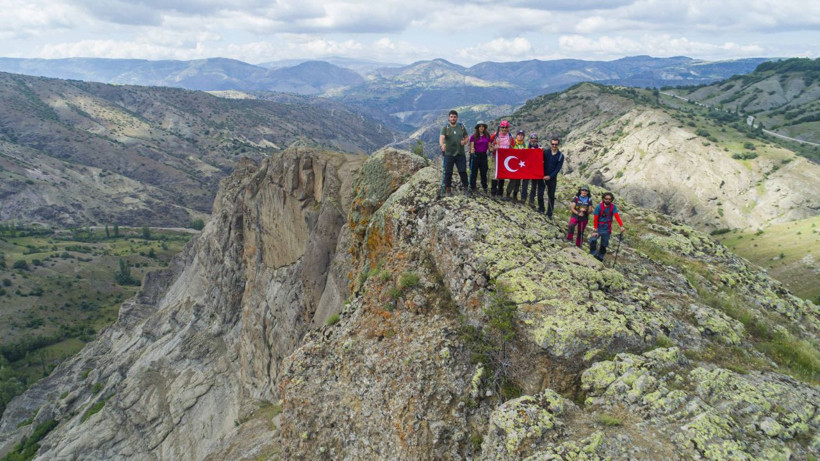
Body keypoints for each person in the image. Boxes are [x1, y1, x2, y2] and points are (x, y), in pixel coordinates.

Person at [439, 110, 469, 196]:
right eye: (451, 117)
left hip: (460, 153)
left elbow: (466, 136)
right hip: (449, 153)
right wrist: (442, 145)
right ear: (449, 118)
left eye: (454, 117)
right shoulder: (445, 128)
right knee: (448, 172)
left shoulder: (461, 126)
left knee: (462, 171)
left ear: (457, 118)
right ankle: (448, 189)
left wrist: (465, 141)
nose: (453, 118)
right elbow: (441, 138)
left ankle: (466, 188)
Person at [588, 191, 625, 262]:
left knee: (604, 244)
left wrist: (621, 226)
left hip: (607, 228)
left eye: (609, 199)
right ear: (603, 199)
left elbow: (617, 216)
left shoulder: (613, 207)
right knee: (593, 240)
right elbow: (595, 218)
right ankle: (593, 253)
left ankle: (600, 257)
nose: (607, 200)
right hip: (598, 227)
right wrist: (595, 229)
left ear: (611, 200)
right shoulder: (599, 207)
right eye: (606, 199)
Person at [541, 137, 564, 218]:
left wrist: (550, 176)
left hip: (552, 178)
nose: (554, 146)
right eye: (553, 144)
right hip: (542, 176)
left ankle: (549, 213)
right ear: (550, 144)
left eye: (556, 144)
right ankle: (541, 209)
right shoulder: (545, 152)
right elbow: (540, 161)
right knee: (540, 193)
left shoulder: (561, 156)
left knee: (551, 196)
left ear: (558, 144)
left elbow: (558, 169)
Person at [490, 120, 513, 197]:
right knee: (495, 174)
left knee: (502, 174)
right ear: (500, 127)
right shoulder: (495, 135)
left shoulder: (510, 136)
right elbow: (489, 144)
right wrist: (493, 148)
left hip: (504, 158)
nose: (504, 129)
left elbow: (513, 147)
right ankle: (493, 192)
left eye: (506, 127)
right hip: (496, 157)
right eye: (503, 127)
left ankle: (500, 192)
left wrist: (510, 147)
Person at [469, 121, 491, 195]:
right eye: (480, 126)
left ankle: (485, 187)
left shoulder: (487, 136)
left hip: (483, 156)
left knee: (484, 172)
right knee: (474, 172)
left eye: (482, 126)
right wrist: (472, 150)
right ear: (477, 128)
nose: (481, 127)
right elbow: (471, 146)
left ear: (484, 127)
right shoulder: (473, 136)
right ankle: (473, 187)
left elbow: (489, 147)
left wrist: (494, 148)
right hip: (475, 155)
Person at [506, 130, 527, 201]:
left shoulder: (525, 145)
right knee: (512, 180)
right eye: (519, 135)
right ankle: (508, 194)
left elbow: (528, 154)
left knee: (518, 181)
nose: (520, 136)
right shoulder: (513, 143)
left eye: (522, 135)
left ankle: (515, 195)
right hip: (513, 165)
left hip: (521, 165)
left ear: (523, 136)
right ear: (516, 136)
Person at [522, 133, 540, 206]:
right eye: (532, 139)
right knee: (525, 184)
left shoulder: (539, 147)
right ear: (530, 139)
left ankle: (531, 200)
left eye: (535, 139)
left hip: (535, 169)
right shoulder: (526, 146)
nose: (534, 140)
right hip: (527, 168)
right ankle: (523, 198)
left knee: (534, 185)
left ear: (537, 140)